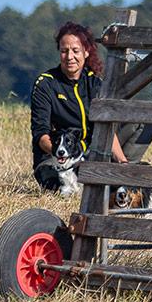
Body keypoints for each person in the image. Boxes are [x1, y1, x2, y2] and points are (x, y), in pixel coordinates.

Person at [31, 23, 127, 189]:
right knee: (60, 188)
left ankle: (125, 169)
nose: (69, 57)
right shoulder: (45, 84)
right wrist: (62, 156)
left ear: (86, 52)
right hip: (54, 157)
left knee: (140, 125)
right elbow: (41, 134)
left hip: (87, 154)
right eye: (64, 51)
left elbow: (106, 127)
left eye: (75, 51)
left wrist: (123, 163)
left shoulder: (95, 83)